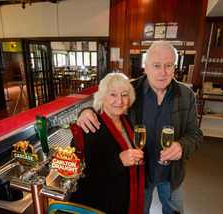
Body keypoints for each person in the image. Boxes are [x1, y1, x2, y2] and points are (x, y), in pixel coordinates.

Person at [76, 41, 203, 214]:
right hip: (140, 175)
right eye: (156, 65)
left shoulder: (186, 95)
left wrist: (182, 146)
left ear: (175, 67)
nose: (163, 72)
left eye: (168, 65)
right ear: (146, 66)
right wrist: (86, 111)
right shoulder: (131, 91)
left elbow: (195, 133)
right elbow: (108, 103)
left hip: (172, 175)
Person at [70, 73, 145, 214]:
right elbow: (80, 179)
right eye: (113, 94)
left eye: (124, 95)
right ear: (101, 98)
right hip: (101, 206)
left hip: (124, 202)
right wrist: (119, 161)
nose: (120, 100)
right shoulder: (89, 127)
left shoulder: (127, 122)